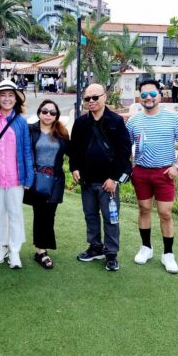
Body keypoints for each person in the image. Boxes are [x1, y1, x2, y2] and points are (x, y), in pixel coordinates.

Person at [127, 79, 178, 274]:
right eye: (144, 95)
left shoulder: (172, 118)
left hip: (164, 172)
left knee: (165, 213)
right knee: (144, 209)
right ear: (140, 97)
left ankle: (168, 254)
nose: (149, 98)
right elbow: (126, 146)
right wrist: (130, 166)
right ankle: (146, 247)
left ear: (160, 96)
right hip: (141, 172)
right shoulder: (133, 120)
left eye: (153, 94)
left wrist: (177, 166)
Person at [70, 83, 132, 272]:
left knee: (110, 218)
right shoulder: (81, 122)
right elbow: (74, 149)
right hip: (87, 180)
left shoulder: (116, 121)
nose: (91, 101)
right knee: (90, 215)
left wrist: (114, 178)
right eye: (87, 98)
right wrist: (74, 168)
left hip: (108, 182)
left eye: (95, 97)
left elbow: (124, 152)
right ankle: (95, 247)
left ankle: (111, 253)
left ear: (104, 97)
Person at [0, 79, 34, 269]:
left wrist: (29, 176)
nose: (7, 99)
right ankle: (1, 246)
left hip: (15, 177)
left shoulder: (20, 122)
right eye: (3, 95)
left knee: (15, 213)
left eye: (11, 95)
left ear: (16, 99)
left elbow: (26, 150)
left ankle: (14, 250)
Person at [24, 100, 70, 269]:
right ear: (39, 112)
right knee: (40, 213)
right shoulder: (30, 130)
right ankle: (41, 251)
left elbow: (72, 153)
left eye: (52, 112)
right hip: (37, 178)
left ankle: (43, 248)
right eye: (45, 111)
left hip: (55, 179)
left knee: (50, 214)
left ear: (56, 115)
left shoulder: (62, 133)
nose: (48, 115)